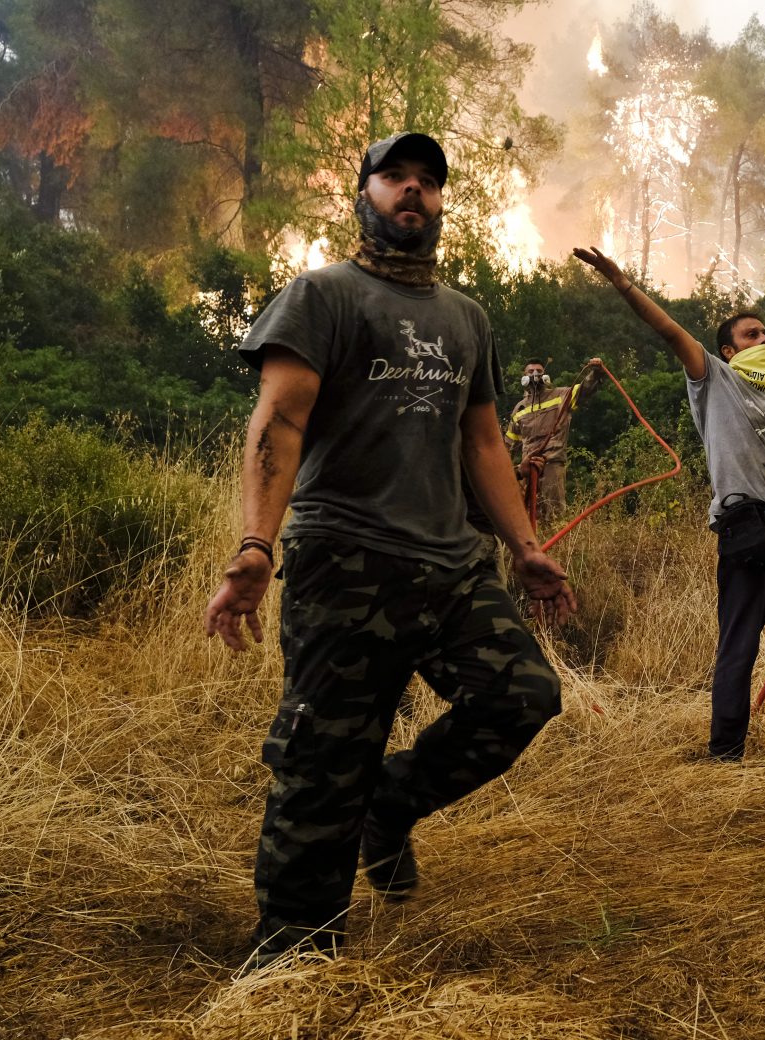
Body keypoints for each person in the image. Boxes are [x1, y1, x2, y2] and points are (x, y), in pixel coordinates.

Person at [203, 131, 576, 968]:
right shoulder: (322, 296)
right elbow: (280, 420)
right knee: (325, 760)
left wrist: (524, 546)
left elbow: (483, 441)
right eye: (395, 176)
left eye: (428, 181)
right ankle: (294, 958)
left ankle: (393, 803)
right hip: (346, 561)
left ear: (440, 203)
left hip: (451, 565)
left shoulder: (466, 318)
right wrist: (256, 546)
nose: (413, 190)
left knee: (522, 694)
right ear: (364, 195)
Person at [572, 246, 765, 763]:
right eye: (752, 335)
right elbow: (668, 329)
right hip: (747, 532)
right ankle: (725, 752)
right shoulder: (714, 379)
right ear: (728, 350)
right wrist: (621, 282)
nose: (764, 340)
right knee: (740, 645)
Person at [506, 356, 604, 522]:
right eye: (530, 371)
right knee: (527, 515)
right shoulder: (519, 408)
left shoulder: (560, 395)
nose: (535, 374)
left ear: (545, 375)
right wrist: (512, 473)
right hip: (528, 468)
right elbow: (507, 446)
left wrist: (596, 372)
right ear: (523, 377)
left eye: (539, 371)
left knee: (554, 513)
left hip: (552, 463)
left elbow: (585, 389)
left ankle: (557, 538)